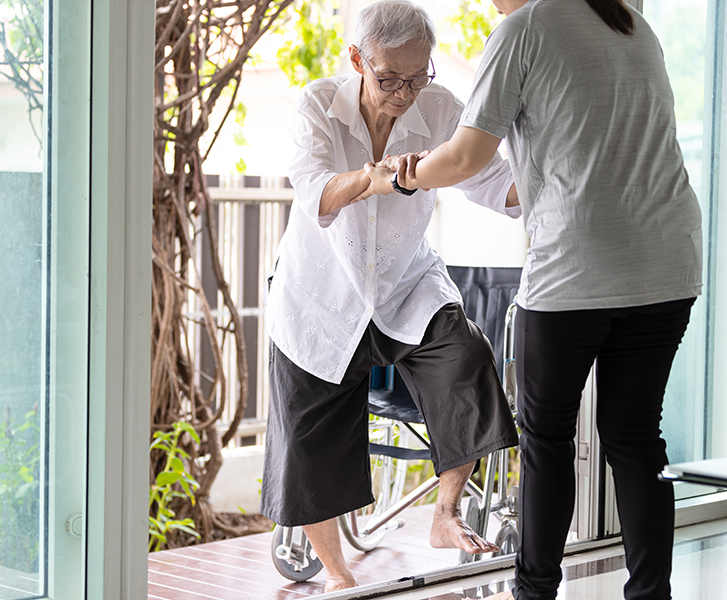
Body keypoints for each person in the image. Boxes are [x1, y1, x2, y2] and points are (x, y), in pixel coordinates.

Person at [365, 1, 703, 599]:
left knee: (547, 440)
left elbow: (468, 156)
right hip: (667, 262)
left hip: (577, 270)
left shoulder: (523, 30)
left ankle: (536, 594)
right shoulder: (629, 22)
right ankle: (653, 594)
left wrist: (401, 173)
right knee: (635, 436)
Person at [260, 0, 522, 592]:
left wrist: (547, 188)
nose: (405, 93)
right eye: (389, 79)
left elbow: (490, 182)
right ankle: (337, 573)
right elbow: (314, 194)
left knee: (468, 360)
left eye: (418, 76)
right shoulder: (317, 105)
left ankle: (444, 514)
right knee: (310, 436)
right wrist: (371, 179)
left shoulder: (440, 108)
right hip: (320, 295)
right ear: (358, 59)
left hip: (406, 284)